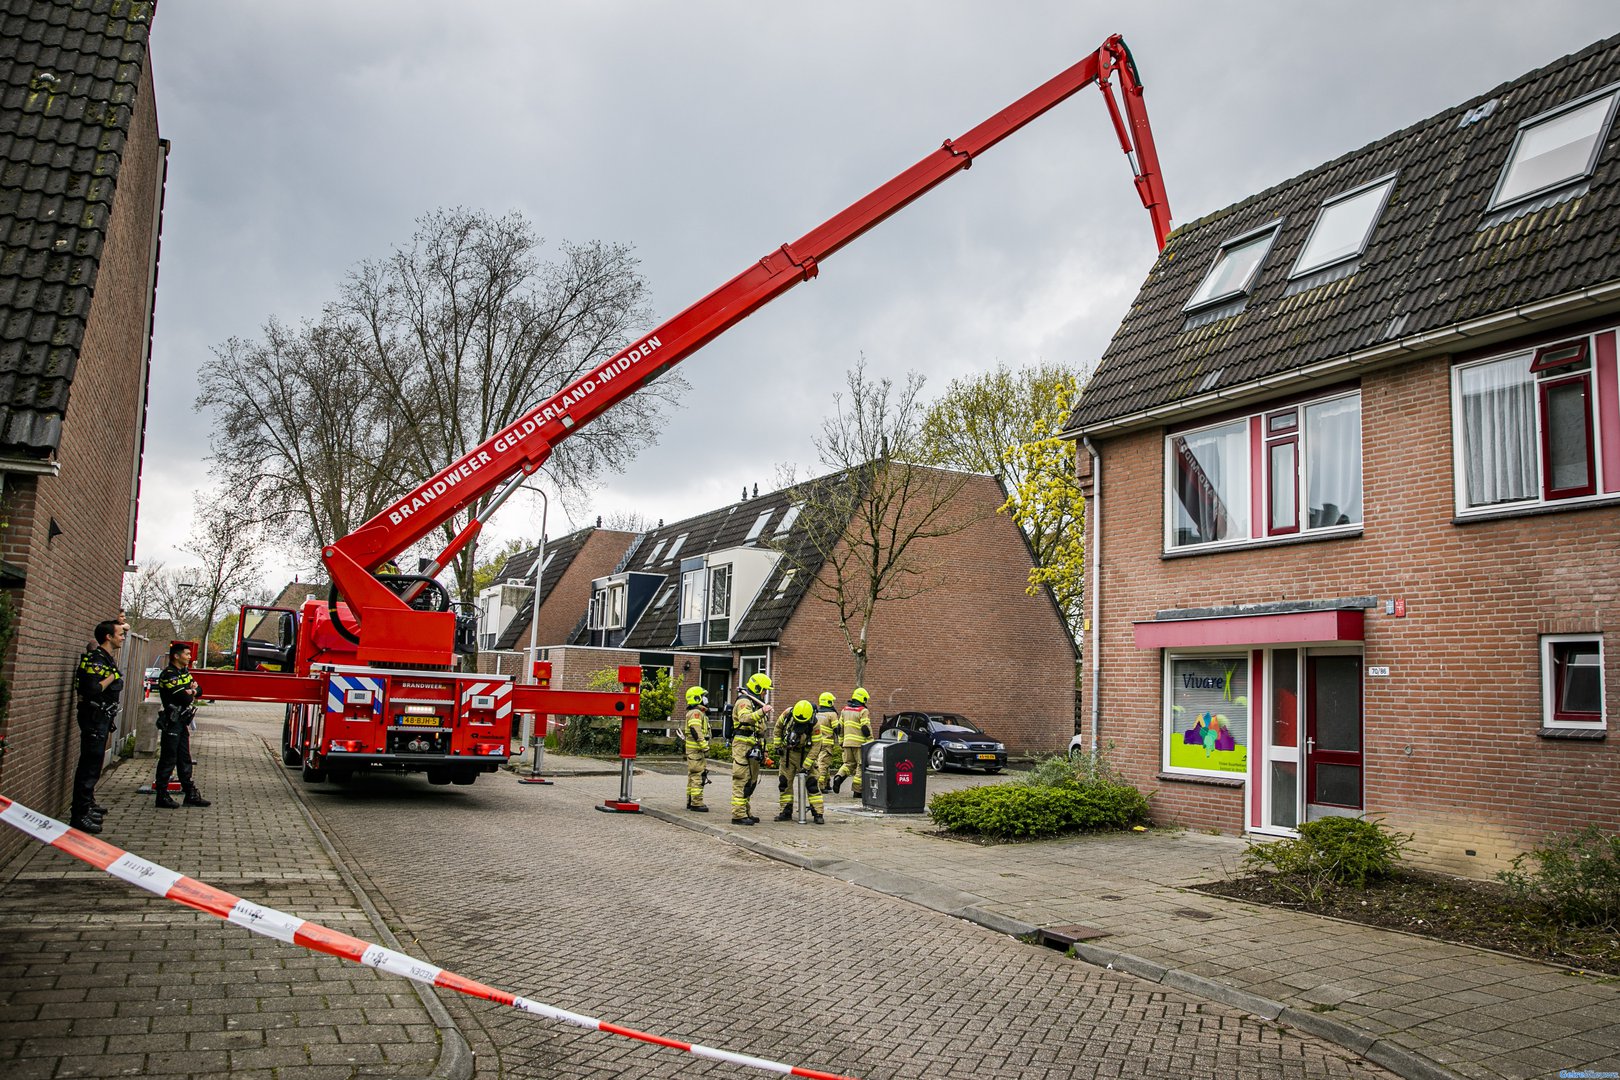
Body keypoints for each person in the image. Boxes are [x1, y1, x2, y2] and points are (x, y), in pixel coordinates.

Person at [71, 620, 126, 832]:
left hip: (101, 717)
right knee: (89, 767)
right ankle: (79, 815)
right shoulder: (97, 660)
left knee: (94, 765)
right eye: (119, 634)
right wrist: (112, 677)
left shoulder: (105, 658)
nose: (123, 637)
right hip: (93, 718)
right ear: (108, 637)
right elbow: (92, 689)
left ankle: (87, 805)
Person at [154, 643, 210, 809]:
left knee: (184, 757)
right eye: (186, 654)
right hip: (172, 722)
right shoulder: (169, 675)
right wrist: (191, 692)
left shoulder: (184, 673)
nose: (189, 657)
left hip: (182, 722)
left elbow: (200, 690)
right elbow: (183, 698)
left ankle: (189, 793)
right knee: (168, 758)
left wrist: (191, 691)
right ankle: (161, 795)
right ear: (176, 656)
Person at [770, 699, 824, 824]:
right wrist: (777, 746)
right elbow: (778, 728)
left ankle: (818, 813)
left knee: (812, 784)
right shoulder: (787, 714)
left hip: (805, 754)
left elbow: (816, 746)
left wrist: (806, 765)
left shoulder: (814, 724)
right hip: (788, 754)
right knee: (784, 783)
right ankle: (785, 811)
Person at [729, 673, 772, 825]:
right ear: (757, 688)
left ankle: (746, 811)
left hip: (753, 746)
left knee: (751, 781)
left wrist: (764, 750)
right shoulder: (744, 701)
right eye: (764, 690)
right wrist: (762, 711)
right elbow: (744, 718)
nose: (765, 693)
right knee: (741, 779)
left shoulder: (754, 703)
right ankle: (738, 815)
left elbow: (760, 731)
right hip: (742, 747)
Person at [831, 686, 873, 797]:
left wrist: (841, 742)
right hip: (859, 744)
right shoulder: (863, 711)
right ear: (862, 698)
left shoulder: (844, 710)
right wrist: (871, 742)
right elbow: (866, 728)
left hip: (847, 743)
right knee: (861, 766)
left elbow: (839, 728)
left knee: (848, 764)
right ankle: (857, 791)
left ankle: (838, 777)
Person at [682, 685, 710, 812]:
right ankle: (696, 803)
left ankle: (690, 801)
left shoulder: (694, 712)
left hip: (693, 751)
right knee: (698, 776)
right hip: (696, 750)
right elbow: (695, 730)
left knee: (692, 776)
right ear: (697, 698)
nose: (705, 699)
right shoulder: (696, 713)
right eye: (703, 697)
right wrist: (704, 746)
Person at [811, 692, 840, 801]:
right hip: (827, 743)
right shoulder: (832, 714)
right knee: (823, 764)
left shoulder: (817, 713)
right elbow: (836, 729)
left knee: (823, 763)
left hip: (817, 742)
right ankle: (820, 785)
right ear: (829, 702)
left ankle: (827, 783)